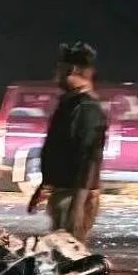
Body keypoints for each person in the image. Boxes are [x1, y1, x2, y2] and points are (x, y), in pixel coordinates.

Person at [28, 42, 108, 243]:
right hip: (65, 192)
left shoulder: (87, 108)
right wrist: (44, 186)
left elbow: (89, 157)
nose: (55, 76)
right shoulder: (70, 104)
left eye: (59, 70)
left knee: (69, 251)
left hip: (74, 195)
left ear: (72, 70)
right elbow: (57, 148)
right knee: (61, 249)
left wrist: (78, 205)